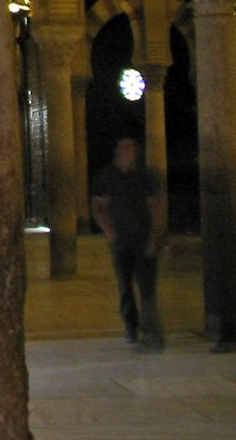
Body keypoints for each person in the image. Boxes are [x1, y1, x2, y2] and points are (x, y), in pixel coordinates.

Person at [92, 134, 165, 350]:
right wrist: (109, 232)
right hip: (121, 241)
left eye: (131, 147)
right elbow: (98, 206)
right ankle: (131, 328)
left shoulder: (145, 176)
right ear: (116, 150)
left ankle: (150, 331)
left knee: (147, 287)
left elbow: (156, 207)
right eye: (124, 147)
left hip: (143, 239)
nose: (128, 151)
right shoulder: (108, 176)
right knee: (125, 286)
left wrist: (154, 237)